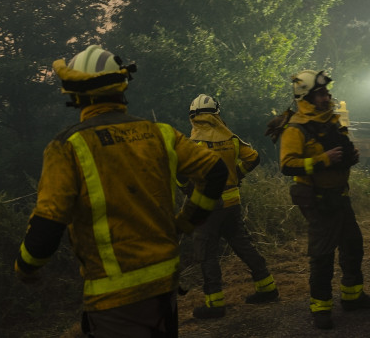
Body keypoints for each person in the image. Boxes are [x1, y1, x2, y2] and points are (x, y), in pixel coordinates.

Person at [14, 45, 229, 338]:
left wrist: (26, 266)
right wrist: (186, 221)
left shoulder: (67, 147)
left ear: (76, 95)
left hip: (114, 297)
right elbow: (215, 172)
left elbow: (49, 223)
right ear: (121, 86)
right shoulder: (161, 133)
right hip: (164, 283)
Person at [278, 69, 370, 330]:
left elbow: (339, 152)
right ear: (306, 98)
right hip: (318, 201)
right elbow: (287, 165)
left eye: (326, 92)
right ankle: (321, 309)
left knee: (353, 246)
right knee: (322, 256)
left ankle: (353, 296)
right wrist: (322, 160)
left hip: (340, 196)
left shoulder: (330, 122)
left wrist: (349, 157)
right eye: (320, 94)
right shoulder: (296, 128)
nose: (326, 97)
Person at [183, 94, 279, 319]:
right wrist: (237, 174)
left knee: (207, 252)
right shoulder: (231, 139)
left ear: (193, 116)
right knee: (243, 244)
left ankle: (215, 304)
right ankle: (267, 288)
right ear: (217, 114)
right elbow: (253, 158)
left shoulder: (193, 144)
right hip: (232, 202)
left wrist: (187, 190)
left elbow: (180, 174)